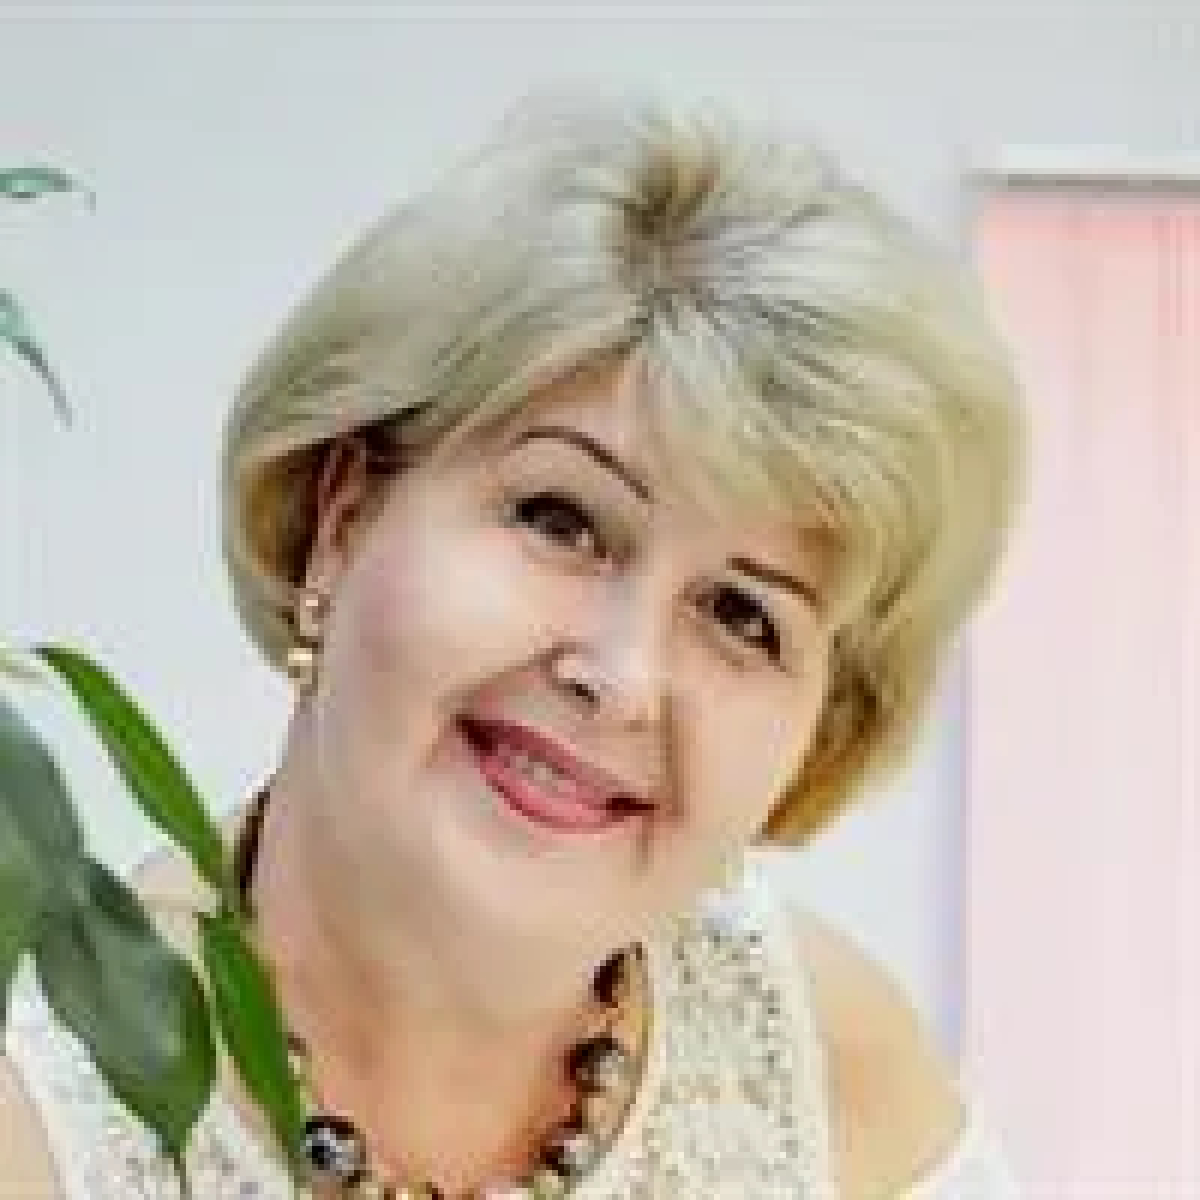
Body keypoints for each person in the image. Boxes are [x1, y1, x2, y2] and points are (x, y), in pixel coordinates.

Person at [1, 88, 1027, 1198]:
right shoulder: (39, 1123)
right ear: (345, 514)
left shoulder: (830, 1081)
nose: (622, 680)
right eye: (562, 520)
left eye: (743, 616)